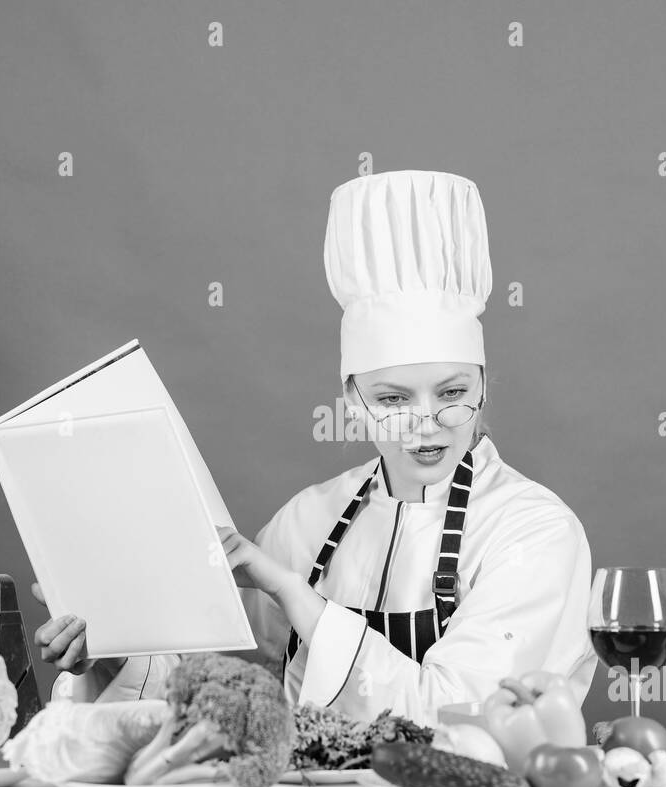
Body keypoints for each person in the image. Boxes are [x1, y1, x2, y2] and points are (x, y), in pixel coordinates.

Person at [35, 169, 598, 725]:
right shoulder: (306, 521)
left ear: (482, 384)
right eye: (393, 399)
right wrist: (109, 656)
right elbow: (233, 694)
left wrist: (290, 590)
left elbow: (455, 719)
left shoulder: (533, 532)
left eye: (452, 392)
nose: (426, 424)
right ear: (352, 401)